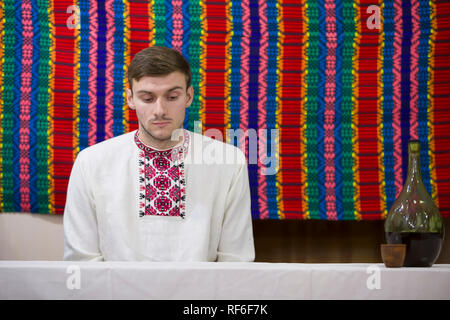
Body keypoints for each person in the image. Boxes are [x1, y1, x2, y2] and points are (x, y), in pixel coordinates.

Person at [63, 46, 255, 262]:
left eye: (172, 97)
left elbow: (236, 260)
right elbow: (82, 260)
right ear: (130, 98)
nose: (160, 110)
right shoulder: (92, 163)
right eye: (147, 98)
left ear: (189, 96)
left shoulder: (228, 162)